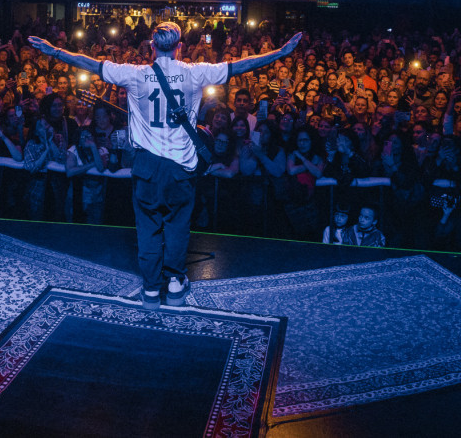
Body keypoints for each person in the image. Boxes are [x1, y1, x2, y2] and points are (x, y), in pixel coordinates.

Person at [29, 23, 303, 309]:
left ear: (151, 46)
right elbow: (240, 66)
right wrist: (280, 52)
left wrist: (55, 50)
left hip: (147, 164)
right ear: (179, 46)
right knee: (177, 226)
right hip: (180, 167)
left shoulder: (134, 74)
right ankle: (174, 284)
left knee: (148, 227)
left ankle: (150, 290)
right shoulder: (195, 73)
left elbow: (91, 64)